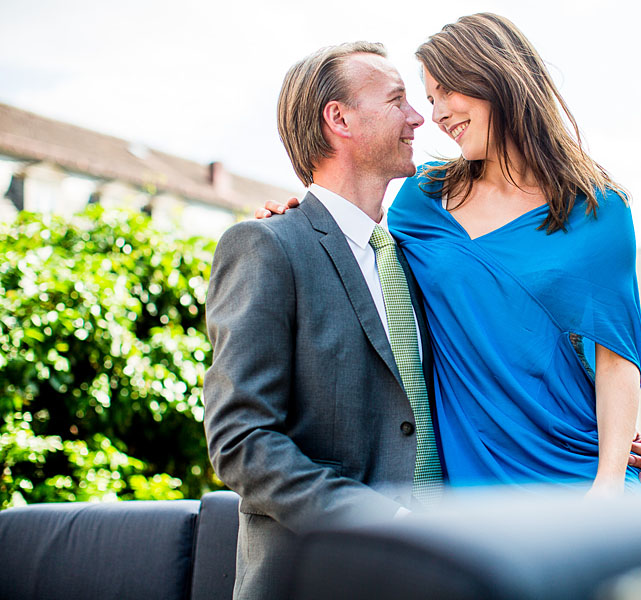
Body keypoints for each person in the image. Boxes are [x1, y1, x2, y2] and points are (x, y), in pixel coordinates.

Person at [257, 13, 641, 495]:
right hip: (469, 491)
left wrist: (610, 480)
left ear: (497, 77)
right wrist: (297, 213)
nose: (437, 113)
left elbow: (618, 359)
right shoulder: (421, 200)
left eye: (448, 91)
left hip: (578, 474)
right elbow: (349, 240)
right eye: (430, 99)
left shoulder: (599, 211)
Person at [203, 42, 443, 599]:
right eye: (397, 100)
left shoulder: (412, 258)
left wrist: (596, 432)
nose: (419, 116)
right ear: (339, 119)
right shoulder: (266, 246)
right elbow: (241, 439)